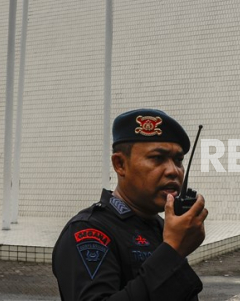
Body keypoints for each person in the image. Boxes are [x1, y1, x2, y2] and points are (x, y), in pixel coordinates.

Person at [52, 108, 208, 300]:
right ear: (120, 165)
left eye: (178, 160)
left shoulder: (161, 227)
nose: (173, 171)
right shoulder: (89, 231)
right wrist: (173, 251)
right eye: (157, 158)